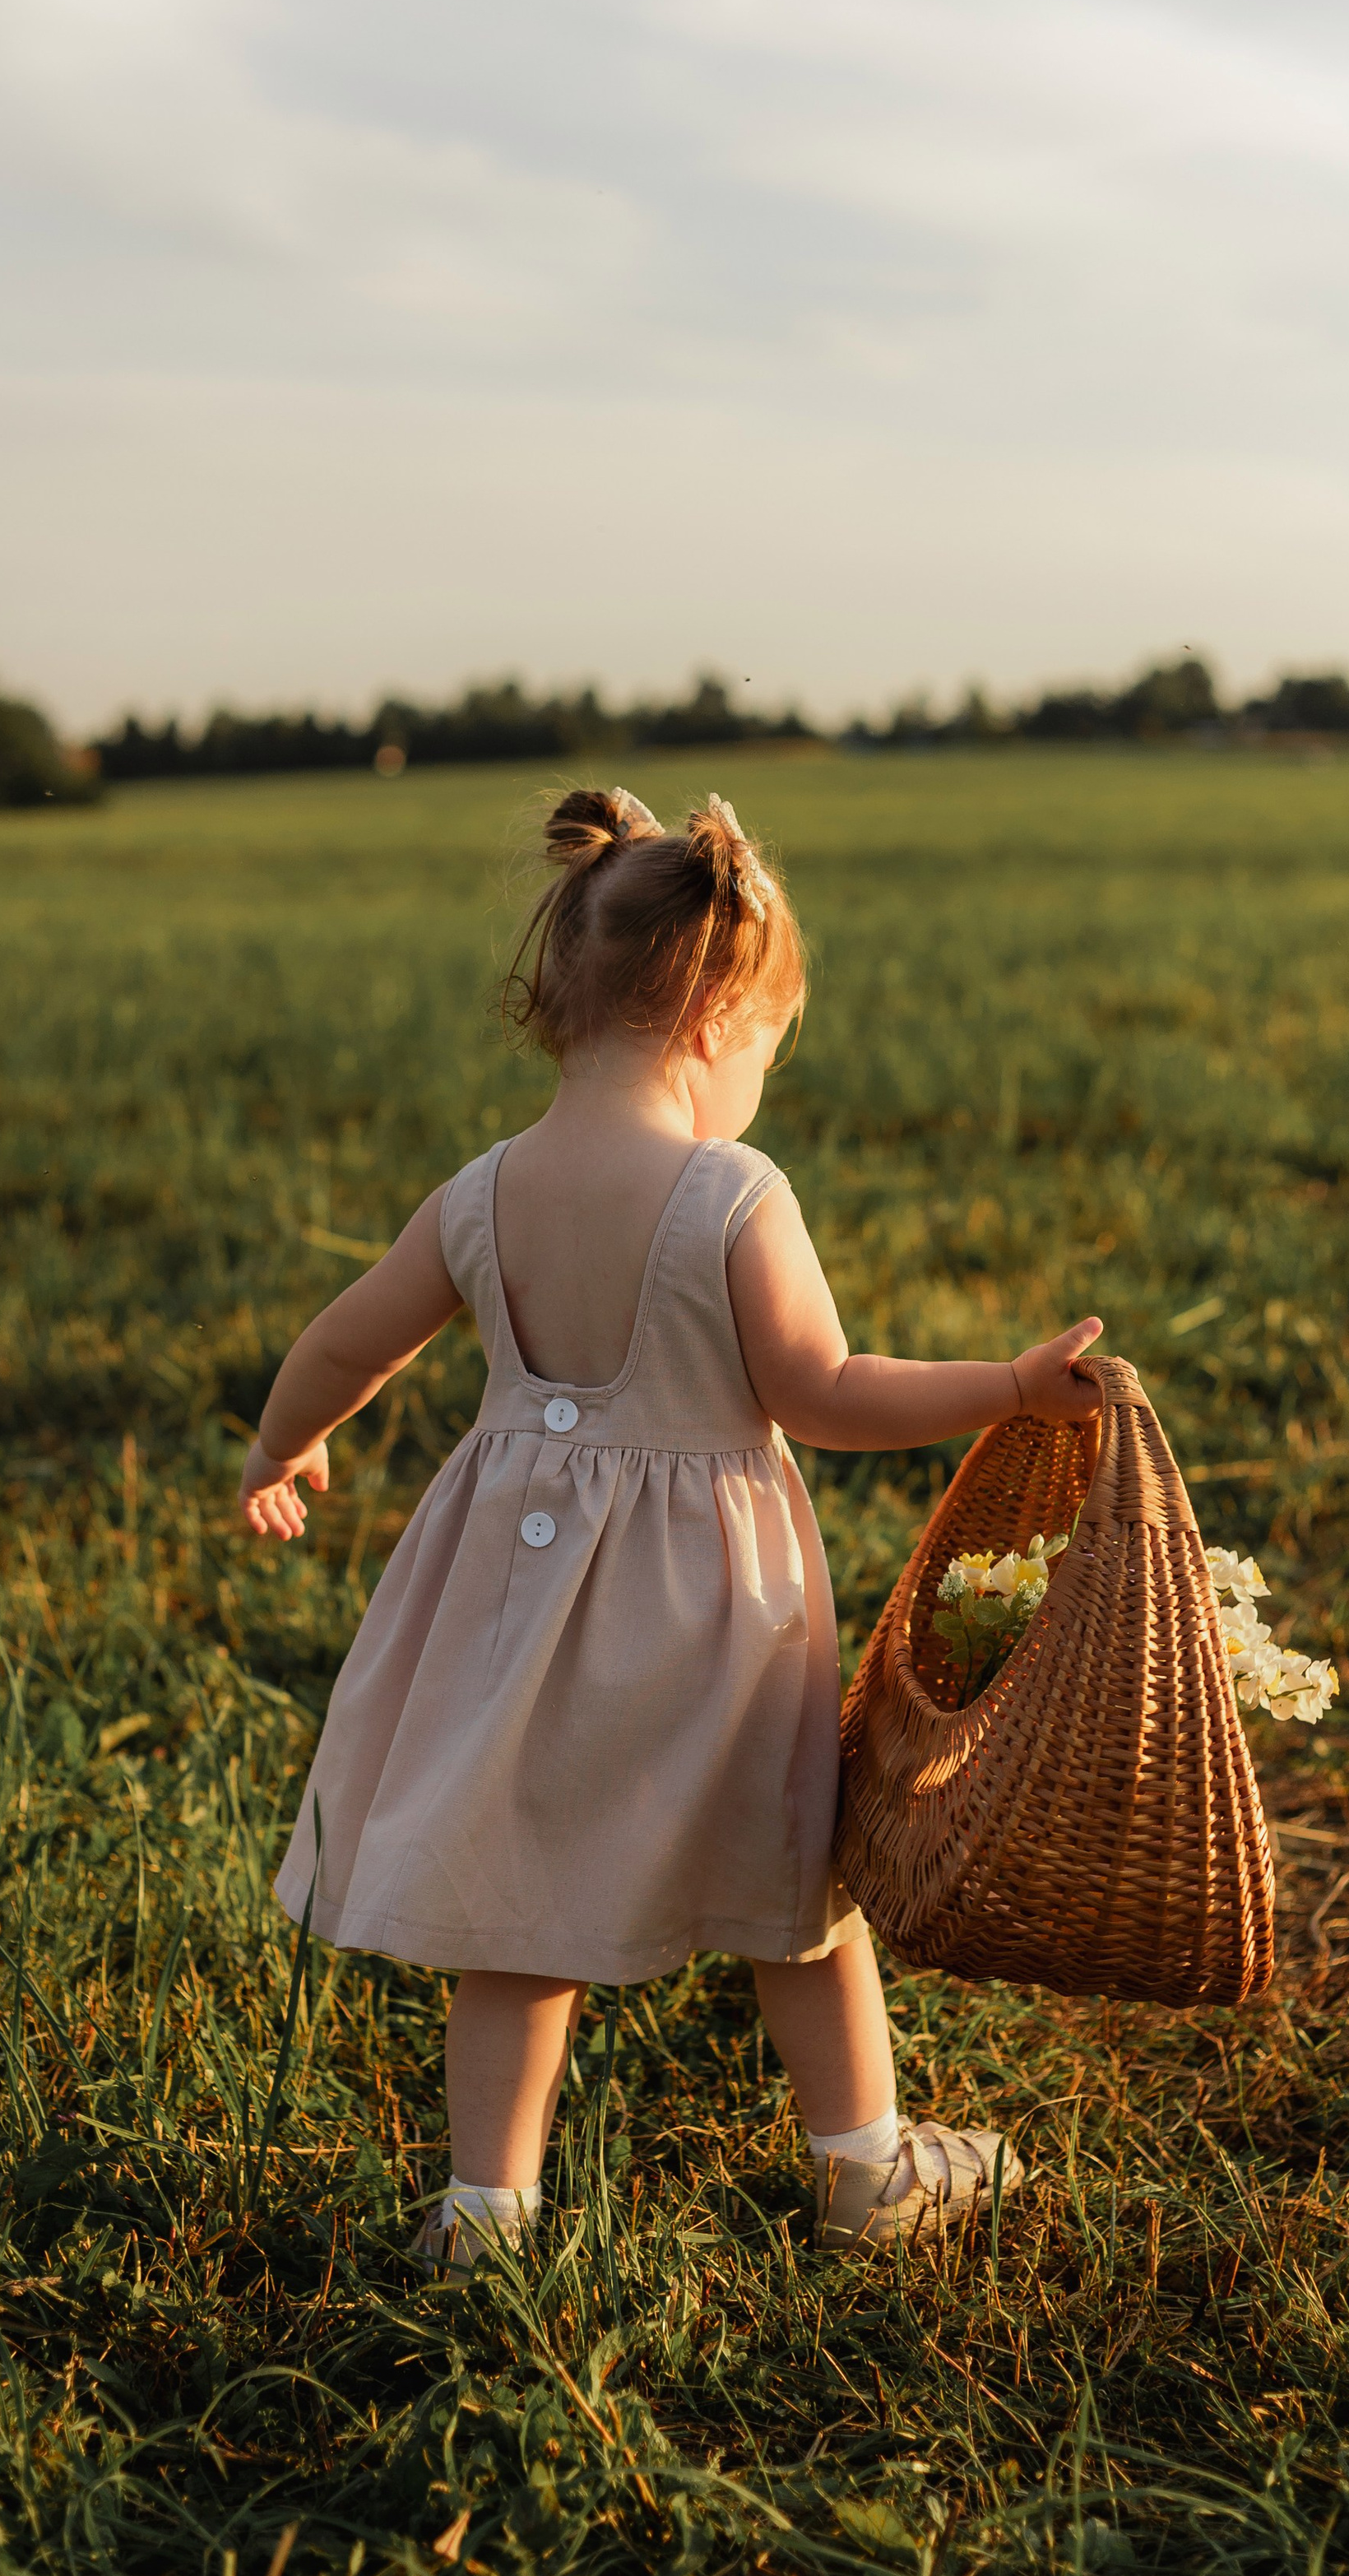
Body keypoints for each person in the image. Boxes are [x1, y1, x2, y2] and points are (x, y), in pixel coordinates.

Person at [239, 786, 1102, 2267]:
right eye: (770, 1042)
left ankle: (485, 2217)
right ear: (715, 1012)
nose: (761, 1073)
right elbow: (824, 1391)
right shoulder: (731, 1194)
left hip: (517, 1603)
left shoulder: (484, 1192)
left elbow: (347, 1341)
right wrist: (1012, 1384)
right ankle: (865, 2166)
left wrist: (286, 1442)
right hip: (716, 1617)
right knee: (799, 1899)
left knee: (518, 1911)